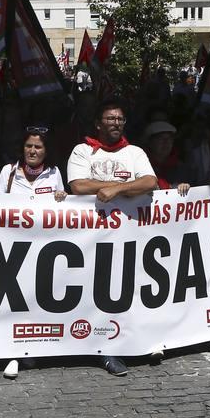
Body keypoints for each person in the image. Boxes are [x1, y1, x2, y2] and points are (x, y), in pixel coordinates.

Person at [67, 98, 158, 377]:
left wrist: (117, 191)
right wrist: (127, 187)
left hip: (130, 237)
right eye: (110, 119)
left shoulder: (135, 152)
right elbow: (78, 185)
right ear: (98, 123)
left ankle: (124, 343)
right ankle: (96, 344)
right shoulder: (83, 151)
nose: (116, 123)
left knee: (126, 292)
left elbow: (149, 182)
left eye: (120, 119)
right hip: (90, 239)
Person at [0, 128, 68, 380]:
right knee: (13, 301)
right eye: (28, 146)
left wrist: (63, 197)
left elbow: (65, 206)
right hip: (13, 247)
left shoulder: (55, 173)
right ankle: (12, 352)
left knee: (38, 299)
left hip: (44, 248)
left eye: (38, 147)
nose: (32, 151)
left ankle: (35, 348)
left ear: (46, 151)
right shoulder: (8, 172)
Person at [141, 121, 192, 195]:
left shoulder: (182, 168)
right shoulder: (140, 166)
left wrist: (186, 188)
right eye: (160, 138)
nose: (166, 142)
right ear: (150, 142)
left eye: (170, 138)